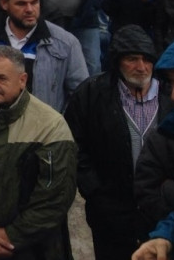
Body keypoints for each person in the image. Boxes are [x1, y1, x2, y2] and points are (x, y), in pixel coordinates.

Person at [0, 46, 78, 260]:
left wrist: (12, 236)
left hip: (36, 249)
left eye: (1, 78)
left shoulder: (51, 125)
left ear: (22, 79)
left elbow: (55, 197)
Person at [65, 26, 163, 259]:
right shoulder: (92, 94)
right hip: (110, 214)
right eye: (132, 59)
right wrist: (95, 191)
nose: (141, 67)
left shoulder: (170, 93)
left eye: (146, 59)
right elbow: (73, 145)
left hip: (160, 213)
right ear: (117, 61)